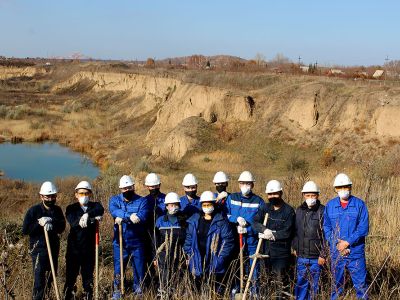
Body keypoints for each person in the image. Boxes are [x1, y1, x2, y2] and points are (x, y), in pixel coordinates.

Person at [323, 173, 369, 300]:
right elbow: (326, 227)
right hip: (336, 253)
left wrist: (347, 242)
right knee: (336, 287)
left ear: (350, 187)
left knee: (361, 286)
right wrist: (337, 244)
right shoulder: (330, 206)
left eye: (346, 187)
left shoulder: (359, 205)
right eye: (340, 187)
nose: (343, 190)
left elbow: (363, 228)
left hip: (356, 254)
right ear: (335, 189)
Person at [184, 191, 234, 294]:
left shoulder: (221, 221)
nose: (207, 207)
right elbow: (189, 239)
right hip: (197, 257)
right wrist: (189, 255)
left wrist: (220, 258)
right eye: (204, 205)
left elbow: (228, 241)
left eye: (209, 204)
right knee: (197, 287)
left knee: (214, 288)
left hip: (214, 258)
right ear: (201, 206)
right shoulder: (194, 220)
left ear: (214, 205)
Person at [22, 181, 66, 300]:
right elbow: (25, 230)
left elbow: (62, 227)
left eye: (53, 196)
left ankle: (47, 297)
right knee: (39, 278)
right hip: (38, 249)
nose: (51, 199)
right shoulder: (33, 211)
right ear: (41, 196)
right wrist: (38, 223)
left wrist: (52, 221)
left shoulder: (57, 210)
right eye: (48, 196)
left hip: (53, 247)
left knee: (51, 277)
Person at [225, 171, 266, 296]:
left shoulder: (259, 201)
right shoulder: (231, 198)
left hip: (252, 239)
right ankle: (236, 289)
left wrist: (249, 228)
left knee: (254, 265)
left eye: (248, 183)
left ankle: (254, 291)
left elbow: (260, 221)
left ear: (252, 185)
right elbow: (225, 215)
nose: (245, 186)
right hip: (236, 238)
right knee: (237, 263)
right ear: (239, 184)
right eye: (243, 183)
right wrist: (235, 219)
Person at [109, 175, 150, 299]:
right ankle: (117, 289)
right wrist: (129, 216)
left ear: (133, 186)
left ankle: (138, 288)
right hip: (120, 240)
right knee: (119, 266)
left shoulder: (142, 201)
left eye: (129, 187)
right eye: (124, 188)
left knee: (139, 266)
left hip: (137, 241)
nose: (127, 190)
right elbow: (114, 211)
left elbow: (142, 216)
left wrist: (124, 217)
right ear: (121, 189)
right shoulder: (115, 200)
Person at [253, 180, 295, 299]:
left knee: (280, 282)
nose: (272, 196)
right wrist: (263, 230)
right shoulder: (264, 208)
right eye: (270, 194)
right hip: (265, 251)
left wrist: (273, 235)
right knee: (265, 280)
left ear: (281, 193)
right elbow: (255, 222)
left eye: (275, 194)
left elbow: (288, 232)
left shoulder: (288, 211)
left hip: (281, 254)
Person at [64, 181, 105, 300]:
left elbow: (100, 209)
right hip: (73, 250)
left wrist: (87, 215)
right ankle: (68, 296)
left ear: (90, 194)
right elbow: (74, 223)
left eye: (86, 193)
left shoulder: (95, 205)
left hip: (89, 250)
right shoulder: (71, 208)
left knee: (88, 279)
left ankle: (88, 296)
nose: (84, 195)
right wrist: (92, 219)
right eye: (81, 193)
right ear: (76, 194)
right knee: (71, 278)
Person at [292, 181, 326, 300]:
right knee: (301, 283)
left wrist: (323, 254)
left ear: (317, 195)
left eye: (313, 195)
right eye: (308, 195)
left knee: (314, 285)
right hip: (301, 255)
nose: (310, 198)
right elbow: (295, 231)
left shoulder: (323, 211)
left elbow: (327, 235)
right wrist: (295, 247)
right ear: (303, 195)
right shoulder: (299, 211)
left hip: (316, 257)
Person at [154, 192, 187, 297]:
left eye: (176, 205)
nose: (173, 207)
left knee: (179, 274)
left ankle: (177, 294)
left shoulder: (184, 220)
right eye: (171, 205)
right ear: (166, 206)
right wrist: (155, 256)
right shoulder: (160, 221)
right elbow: (156, 240)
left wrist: (187, 255)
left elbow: (188, 240)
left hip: (179, 253)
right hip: (163, 253)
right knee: (164, 274)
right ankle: (163, 294)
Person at [143, 173, 166, 287]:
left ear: (159, 185)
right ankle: (150, 283)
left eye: (155, 186)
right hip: (148, 234)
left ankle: (162, 284)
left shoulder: (166, 199)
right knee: (148, 259)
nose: (153, 188)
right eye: (151, 187)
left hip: (162, 234)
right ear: (147, 187)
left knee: (162, 259)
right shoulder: (144, 201)